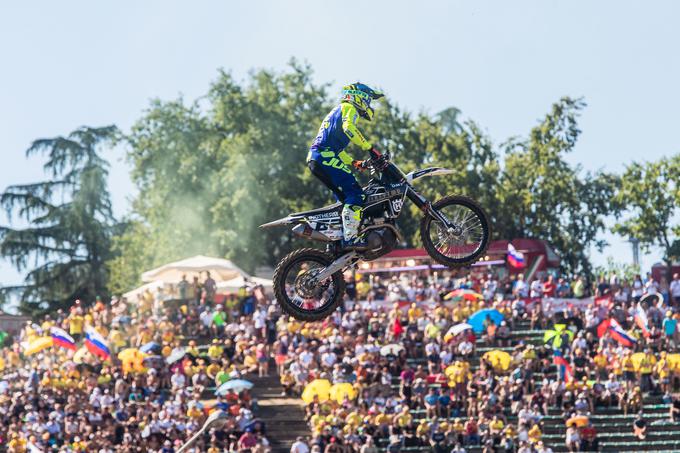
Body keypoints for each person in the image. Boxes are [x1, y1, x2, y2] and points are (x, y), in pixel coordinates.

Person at [307, 82, 384, 249]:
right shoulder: (349, 108)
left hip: (317, 158)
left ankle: (336, 241)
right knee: (357, 195)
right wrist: (369, 148)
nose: (369, 104)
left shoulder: (337, 110)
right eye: (369, 99)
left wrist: (353, 162)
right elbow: (349, 128)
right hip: (324, 156)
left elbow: (338, 150)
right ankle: (350, 239)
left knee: (344, 199)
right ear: (360, 97)